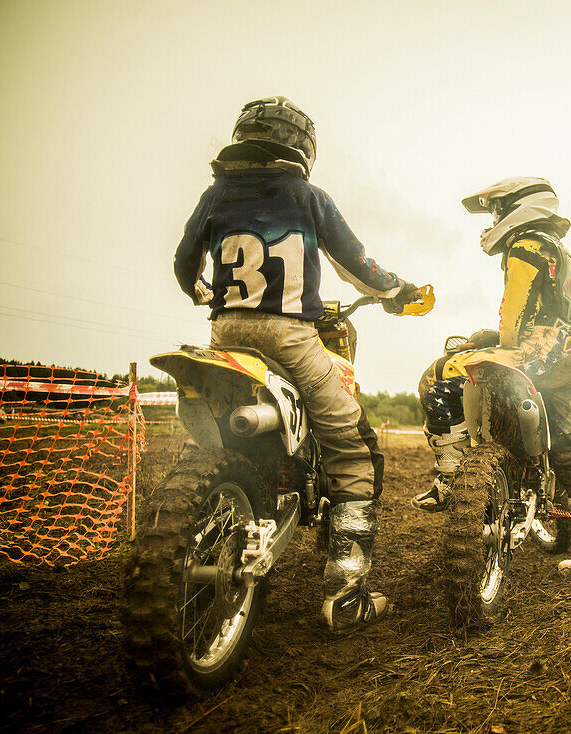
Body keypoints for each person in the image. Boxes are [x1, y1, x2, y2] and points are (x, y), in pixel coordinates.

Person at [173, 96, 420, 633]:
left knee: (215, 434)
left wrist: (200, 291)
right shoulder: (307, 196)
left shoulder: (215, 194)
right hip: (288, 336)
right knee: (353, 448)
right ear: (302, 147)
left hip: (223, 335)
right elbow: (358, 265)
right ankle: (347, 590)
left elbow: (183, 261)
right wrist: (399, 292)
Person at [413, 177, 571, 581]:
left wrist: (498, 340)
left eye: (497, 210)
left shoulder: (525, 245)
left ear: (521, 207)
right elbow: (551, 313)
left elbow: (516, 316)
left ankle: (450, 476)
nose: (493, 218)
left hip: (535, 356)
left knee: (439, 375)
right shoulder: (560, 250)